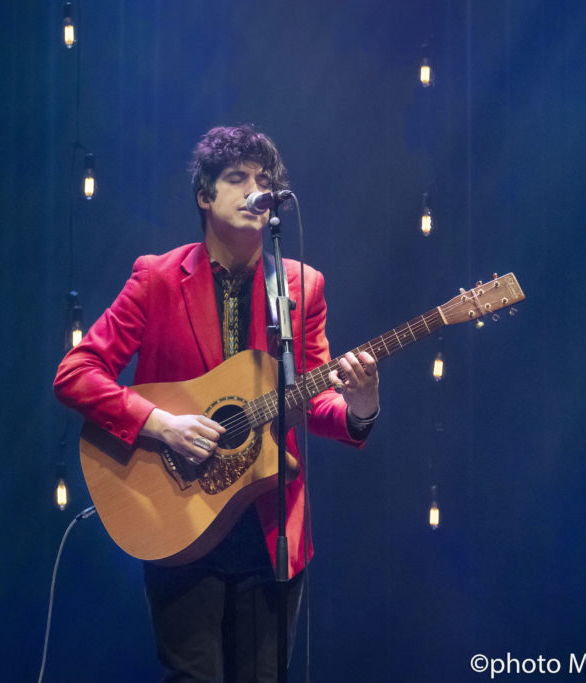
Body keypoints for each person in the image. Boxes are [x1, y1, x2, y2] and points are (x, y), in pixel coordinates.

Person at [53, 124, 380, 682]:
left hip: (271, 525)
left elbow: (311, 402)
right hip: (177, 512)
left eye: (264, 180)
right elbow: (76, 373)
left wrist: (361, 405)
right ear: (205, 196)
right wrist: (160, 424)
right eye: (238, 178)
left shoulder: (303, 287)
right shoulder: (156, 278)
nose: (256, 189)